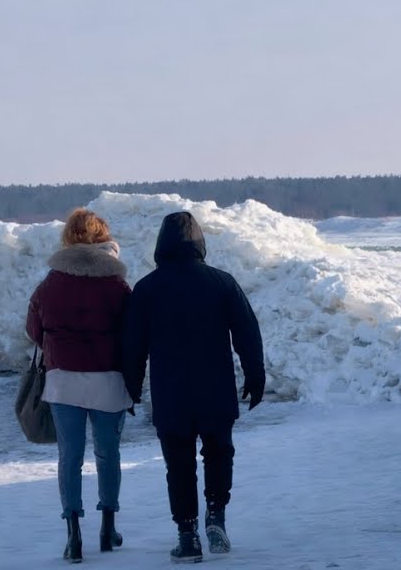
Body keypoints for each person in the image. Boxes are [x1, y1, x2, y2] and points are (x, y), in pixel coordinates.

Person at [123, 211, 265, 563]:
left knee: (179, 464)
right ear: (200, 243)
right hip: (215, 388)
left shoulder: (147, 289)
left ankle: (187, 536)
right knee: (219, 453)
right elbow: (247, 333)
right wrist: (255, 375)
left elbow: (133, 345)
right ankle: (216, 515)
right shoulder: (221, 282)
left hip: (171, 394)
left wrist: (130, 387)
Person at [26, 208, 133, 563]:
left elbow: (34, 330)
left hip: (63, 381)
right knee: (108, 454)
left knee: (69, 457)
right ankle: (108, 527)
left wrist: (59, 349)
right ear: (104, 238)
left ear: (68, 239)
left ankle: (73, 536)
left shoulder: (50, 283)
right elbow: (132, 332)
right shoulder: (117, 284)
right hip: (108, 379)